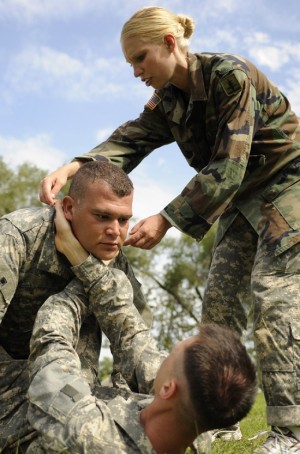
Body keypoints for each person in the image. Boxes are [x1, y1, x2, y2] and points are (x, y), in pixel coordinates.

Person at [39, 6, 300, 452]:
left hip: (286, 183)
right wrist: (77, 164)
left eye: (140, 59)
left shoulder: (228, 77)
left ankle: (290, 432)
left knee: (272, 291)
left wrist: (167, 218)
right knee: (218, 303)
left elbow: (229, 164)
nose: (136, 71)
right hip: (239, 200)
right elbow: (131, 138)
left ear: (168, 42)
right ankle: (221, 419)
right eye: (130, 64)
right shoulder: (170, 101)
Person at [27, 205, 257, 453]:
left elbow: (51, 342)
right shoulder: (193, 425)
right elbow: (133, 337)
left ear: (168, 389)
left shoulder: (88, 432)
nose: (161, 357)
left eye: (169, 356)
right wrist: (92, 270)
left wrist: (76, 261)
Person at [0, 160, 153, 453]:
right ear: (69, 208)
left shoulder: (113, 259)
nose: (115, 231)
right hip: (11, 389)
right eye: (102, 216)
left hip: (75, 393)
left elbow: (134, 342)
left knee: (157, 420)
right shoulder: (15, 237)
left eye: (123, 220)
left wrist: (121, 405)